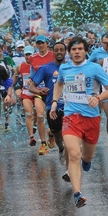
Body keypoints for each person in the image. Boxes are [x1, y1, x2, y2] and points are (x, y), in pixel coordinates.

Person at [50, 37, 108, 208]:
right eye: (73, 49)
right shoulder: (64, 68)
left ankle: (87, 162)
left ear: (86, 51)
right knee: (73, 154)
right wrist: (55, 102)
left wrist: (98, 98)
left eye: (80, 49)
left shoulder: (94, 68)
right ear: (69, 52)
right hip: (72, 117)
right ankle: (77, 194)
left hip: (91, 119)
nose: (77, 52)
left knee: (86, 157)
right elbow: (59, 84)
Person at [30, 42, 68, 170]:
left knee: (69, 135)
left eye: (61, 50)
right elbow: (31, 86)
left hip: (70, 107)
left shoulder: (71, 67)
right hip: (52, 108)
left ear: (65, 52)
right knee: (58, 135)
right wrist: (39, 91)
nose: (59, 52)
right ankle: (61, 148)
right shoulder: (46, 68)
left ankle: (70, 168)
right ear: (53, 52)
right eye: (56, 50)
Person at [29, 34, 55, 155]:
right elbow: (32, 71)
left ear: (47, 44)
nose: (40, 45)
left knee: (53, 117)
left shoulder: (53, 55)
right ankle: (43, 144)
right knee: (40, 116)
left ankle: (51, 132)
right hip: (39, 91)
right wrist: (31, 79)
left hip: (52, 91)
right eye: (38, 43)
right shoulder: (33, 57)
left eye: (42, 43)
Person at [13, 46, 37, 146]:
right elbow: (14, 77)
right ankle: (31, 137)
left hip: (37, 93)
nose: (28, 56)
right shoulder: (20, 66)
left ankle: (34, 125)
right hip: (26, 93)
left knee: (38, 115)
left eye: (30, 54)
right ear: (24, 55)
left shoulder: (38, 66)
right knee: (28, 113)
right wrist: (11, 90)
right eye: (26, 54)